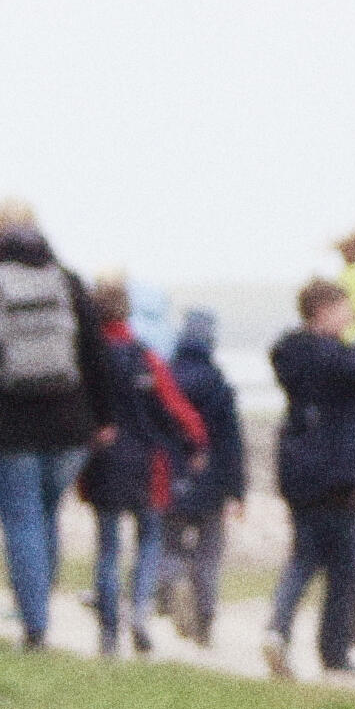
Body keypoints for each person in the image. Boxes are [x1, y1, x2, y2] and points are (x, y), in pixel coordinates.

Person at [0, 202, 126, 650]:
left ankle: (35, 626)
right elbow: (97, 356)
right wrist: (103, 417)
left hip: (4, 429)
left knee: (21, 521)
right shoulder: (67, 281)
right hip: (68, 427)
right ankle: (40, 608)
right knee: (45, 516)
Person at [267, 278, 355, 679]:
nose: (350, 316)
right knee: (346, 563)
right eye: (344, 307)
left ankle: (277, 630)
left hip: (297, 466)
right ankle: (335, 653)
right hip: (334, 470)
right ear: (324, 310)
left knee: (305, 554)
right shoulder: (328, 356)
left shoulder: (291, 354)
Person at [77, 275, 207, 655]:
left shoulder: (87, 358)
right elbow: (174, 407)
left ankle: (108, 631)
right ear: (126, 310)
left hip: (103, 462)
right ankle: (139, 613)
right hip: (148, 463)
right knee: (149, 540)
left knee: (107, 548)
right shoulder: (143, 355)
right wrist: (196, 441)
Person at [151, 308, 244, 646]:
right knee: (208, 556)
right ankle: (204, 622)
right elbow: (231, 442)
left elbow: (156, 430)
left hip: (170, 476)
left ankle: (171, 583)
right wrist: (238, 491)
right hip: (212, 481)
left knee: (168, 547)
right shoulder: (219, 385)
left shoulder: (165, 378)